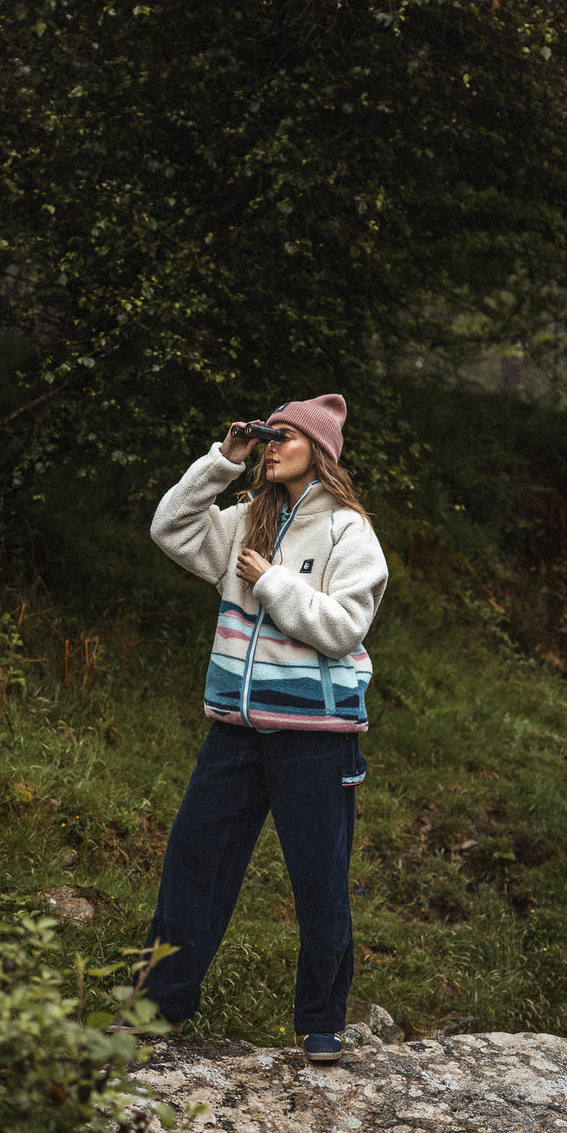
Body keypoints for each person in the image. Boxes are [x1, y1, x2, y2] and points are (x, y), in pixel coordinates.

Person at [138, 394, 388, 1063]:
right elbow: (170, 528)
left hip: (316, 733)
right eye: (267, 436)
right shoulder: (248, 517)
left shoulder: (348, 532)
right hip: (236, 729)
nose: (272, 445)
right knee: (194, 861)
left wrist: (274, 583)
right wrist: (222, 461)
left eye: (286, 437)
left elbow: (344, 628)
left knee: (319, 876)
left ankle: (320, 1022)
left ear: (321, 452)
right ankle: (157, 1008)